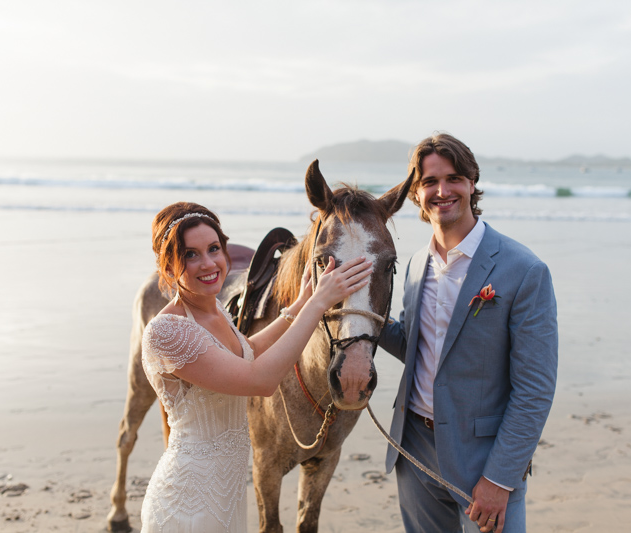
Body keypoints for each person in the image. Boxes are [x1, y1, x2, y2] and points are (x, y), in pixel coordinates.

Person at [139, 202, 372, 532]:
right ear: (168, 266)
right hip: (188, 502)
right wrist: (319, 303)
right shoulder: (167, 332)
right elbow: (260, 380)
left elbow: (245, 351)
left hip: (226, 496)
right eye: (190, 254)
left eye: (214, 249)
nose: (208, 263)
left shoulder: (214, 312)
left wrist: (302, 301)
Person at [379, 134, 558, 533]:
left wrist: (500, 479)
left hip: (483, 458)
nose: (442, 191)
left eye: (454, 178)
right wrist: (357, 314)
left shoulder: (524, 270)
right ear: (416, 191)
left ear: (472, 183)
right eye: (429, 181)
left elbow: (535, 389)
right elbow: (416, 345)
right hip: (414, 450)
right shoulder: (414, 264)